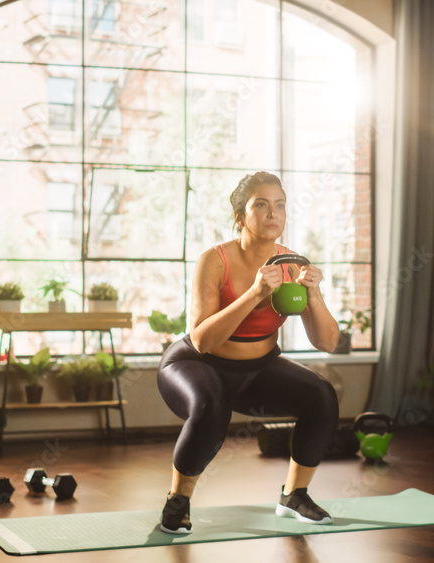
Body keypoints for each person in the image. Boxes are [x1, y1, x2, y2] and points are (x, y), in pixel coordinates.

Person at [156, 171, 342, 534]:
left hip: (258, 369)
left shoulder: (292, 264)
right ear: (240, 216)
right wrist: (255, 294)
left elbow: (328, 343)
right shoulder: (214, 260)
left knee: (321, 397)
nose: (273, 213)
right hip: (195, 364)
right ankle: (178, 501)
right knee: (212, 406)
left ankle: (295, 495)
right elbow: (203, 340)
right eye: (261, 204)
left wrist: (314, 296)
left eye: (280, 205)